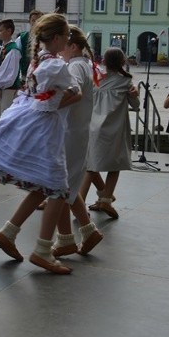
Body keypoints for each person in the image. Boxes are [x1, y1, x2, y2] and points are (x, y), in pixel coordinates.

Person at [0, 13, 81, 274]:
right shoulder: (58, 66)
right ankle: (42, 250)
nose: (68, 41)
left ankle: (9, 231)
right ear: (58, 38)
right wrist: (70, 96)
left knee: (42, 185)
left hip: (32, 123)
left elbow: (37, 96)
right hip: (45, 130)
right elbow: (61, 99)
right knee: (58, 188)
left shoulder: (38, 60)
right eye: (67, 37)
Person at [53, 26, 104, 257]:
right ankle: (86, 230)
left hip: (71, 132)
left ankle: (66, 239)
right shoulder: (84, 65)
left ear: (73, 46)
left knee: (60, 187)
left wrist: (47, 104)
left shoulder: (74, 66)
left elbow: (72, 92)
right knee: (68, 187)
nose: (59, 48)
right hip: (78, 131)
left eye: (63, 43)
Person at [80, 48, 140, 219]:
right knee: (115, 165)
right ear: (123, 62)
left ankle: (80, 201)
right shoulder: (126, 82)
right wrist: (135, 94)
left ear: (104, 62)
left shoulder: (96, 80)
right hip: (116, 129)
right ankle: (106, 199)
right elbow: (135, 105)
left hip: (93, 127)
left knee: (90, 166)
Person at [0, 19, 22, 124]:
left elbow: (9, 74)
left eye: (1, 30)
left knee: (5, 118)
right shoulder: (2, 48)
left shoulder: (13, 50)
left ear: (9, 31)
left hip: (7, 89)